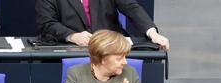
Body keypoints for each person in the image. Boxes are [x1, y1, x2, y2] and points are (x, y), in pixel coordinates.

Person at [35, 0, 169, 50]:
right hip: (72, 52)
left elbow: (131, 7)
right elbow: (46, 23)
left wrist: (153, 33)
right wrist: (72, 36)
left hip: (111, 52)